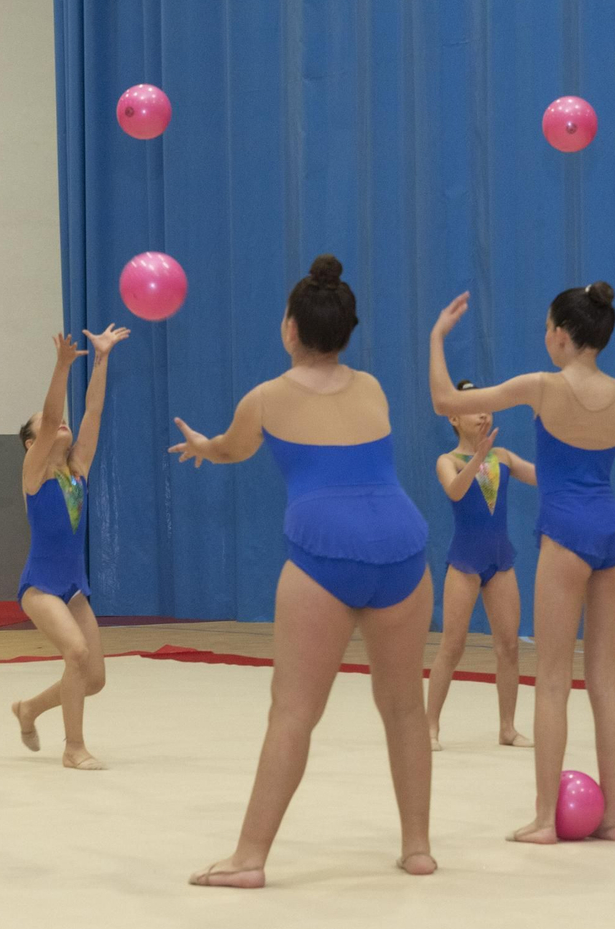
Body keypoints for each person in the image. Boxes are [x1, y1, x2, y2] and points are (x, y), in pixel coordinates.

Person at [172, 256, 436, 886]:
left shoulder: (266, 398)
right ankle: (418, 848)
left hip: (325, 551)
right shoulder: (373, 388)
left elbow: (231, 449)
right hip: (403, 546)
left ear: (289, 327)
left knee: (292, 711)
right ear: (347, 331)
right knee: (405, 707)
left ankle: (249, 858)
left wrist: (203, 446)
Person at [429, 283, 615, 844]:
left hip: (567, 534)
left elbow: (445, 402)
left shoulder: (542, 386)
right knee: (605, 679)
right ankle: (614, 817)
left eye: (547, 327)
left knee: (552, 680)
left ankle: (547, 818)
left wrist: (437, 337)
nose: (545, 336)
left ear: (562, 336)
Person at [10, 323, 129, 771]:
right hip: (40, 587)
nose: (60, 422)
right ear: (31, 442)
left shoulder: (78, 467)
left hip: (74, 588)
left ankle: (29, 709)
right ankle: (73, 748)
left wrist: (102, 359)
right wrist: (61, 366)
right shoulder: (34, 472)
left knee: (93, 678)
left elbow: (92, 412)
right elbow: (51, 411)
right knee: (75, 654)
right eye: (46, 425)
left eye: (62, 420)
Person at [425, 381, 535, 750]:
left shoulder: (502, 457)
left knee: (509, 646)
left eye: (486, 407)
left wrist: (568, 454)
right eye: (474, 408)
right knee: (452, 647)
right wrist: (477, 458)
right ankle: (430, 727)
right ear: (453, 418)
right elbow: (455, 490)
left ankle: (507, 728)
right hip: (465, 562)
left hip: (500, 561)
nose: (484, 413)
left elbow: (539, 476)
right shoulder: (448, 461)